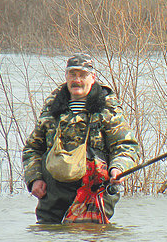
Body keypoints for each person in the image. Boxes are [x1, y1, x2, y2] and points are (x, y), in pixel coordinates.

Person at [23, 53, 139, 224]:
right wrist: (35, 179)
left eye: (83, 75)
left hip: (94, 194)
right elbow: (33, 149)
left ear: (93, 77)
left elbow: (126, 147)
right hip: (52, 197)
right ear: (66, 76)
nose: (77, 80)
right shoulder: (52, 107)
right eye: (73, 74)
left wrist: (118, 168)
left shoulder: (108, 108)